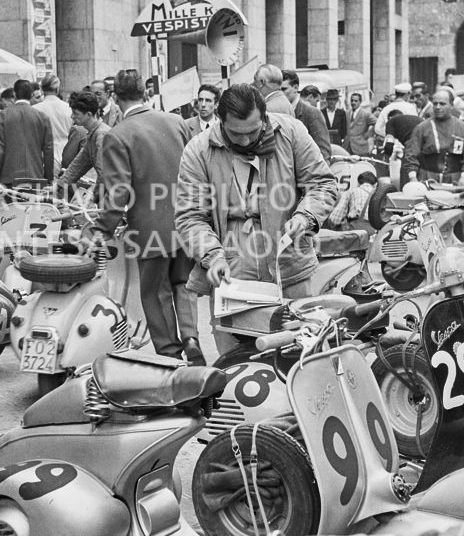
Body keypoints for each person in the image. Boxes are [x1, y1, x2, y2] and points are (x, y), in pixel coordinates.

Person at [175, 83, 338, 356]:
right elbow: (191, 216)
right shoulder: (199, 150)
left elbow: (323, 184)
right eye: (235, 134)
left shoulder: (291, 133)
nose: (245, 141)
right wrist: (212, 256)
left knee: (299, 352)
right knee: (236, 361)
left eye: (253, 132)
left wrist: (305, 216)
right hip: (231, 267)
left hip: (289, 261)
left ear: (264, 117)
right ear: (220, 120)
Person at [92, 69, 202, 365]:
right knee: (183, 283)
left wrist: (102, 229)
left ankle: (170, 354)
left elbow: (118, 194)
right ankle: (191, 337)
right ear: (144, 93)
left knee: (155, 293)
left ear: (115, 97)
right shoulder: (177, 122)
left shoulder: (118, 135)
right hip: (186, 222)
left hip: (149, 227)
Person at [401, 89, 464, 184]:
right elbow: (411, 153)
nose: (438, 107)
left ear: (451, 105)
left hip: (455, 179)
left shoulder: (462, 128)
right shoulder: (422, 127)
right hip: (428, 177)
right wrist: (412, 177)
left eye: (442, 104)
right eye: (435, 104)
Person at [0, 78, 53, 186]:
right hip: (35, 175)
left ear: (14, 94)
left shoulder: (3, 115)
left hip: (8, 176)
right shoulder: (42, 117)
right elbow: (48, 150)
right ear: (31, 94)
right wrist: (49, 178)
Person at [56, 90, 111, 199]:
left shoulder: (100, 135)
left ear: (89, 114)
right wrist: (58, 185)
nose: (72, 116)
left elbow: (103, 174)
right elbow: (79, 164)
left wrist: (94, 198)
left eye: (76, 114)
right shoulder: (93, 133)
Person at [280, 69, 334, 160]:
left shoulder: (312, 113)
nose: (280, 94)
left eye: (284, 89)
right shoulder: (276, 112)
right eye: (278, 90)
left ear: (296, 88)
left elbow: (324, 152)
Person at [35, 72, 73, 171]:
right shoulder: (69, 108)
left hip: (43, 155)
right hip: (67, 153)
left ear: (42, 90)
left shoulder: (35, 109)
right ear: (57, 89)